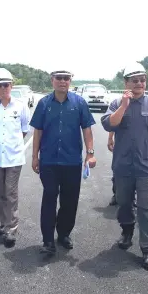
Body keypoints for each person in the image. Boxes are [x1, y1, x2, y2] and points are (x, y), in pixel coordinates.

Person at [101, 62, 148, 270]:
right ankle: (127, 231)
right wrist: (123, 105)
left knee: (147, 208)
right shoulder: (116, 103)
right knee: (123, 203)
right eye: (134, 80)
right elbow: (108, 124)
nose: (139, 83)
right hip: (123, 165)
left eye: (142, 79)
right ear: (126, 83)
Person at [30, 69, 96, 255]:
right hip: (49, 161)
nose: (62, 81)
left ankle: (64, 233)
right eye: (58, 78)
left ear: (70, 81)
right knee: (49, 197)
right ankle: (48, 240)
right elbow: (38, 131)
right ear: (52, 81)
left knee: (69, 201)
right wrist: (35, 156)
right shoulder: (44, 103)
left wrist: (90, 153)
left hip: (72, 161)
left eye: (66, 78)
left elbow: (87, 129)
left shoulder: (79, 103)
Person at [0, 68, 30, 247]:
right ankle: (4, 224)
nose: (3, 88)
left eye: (6, 85)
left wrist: (13, 144)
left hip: (14, 157)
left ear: (12, 85)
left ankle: (12, 228)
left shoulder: (21, 106)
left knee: (10, 193)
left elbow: (24, 129)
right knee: (0, 193)